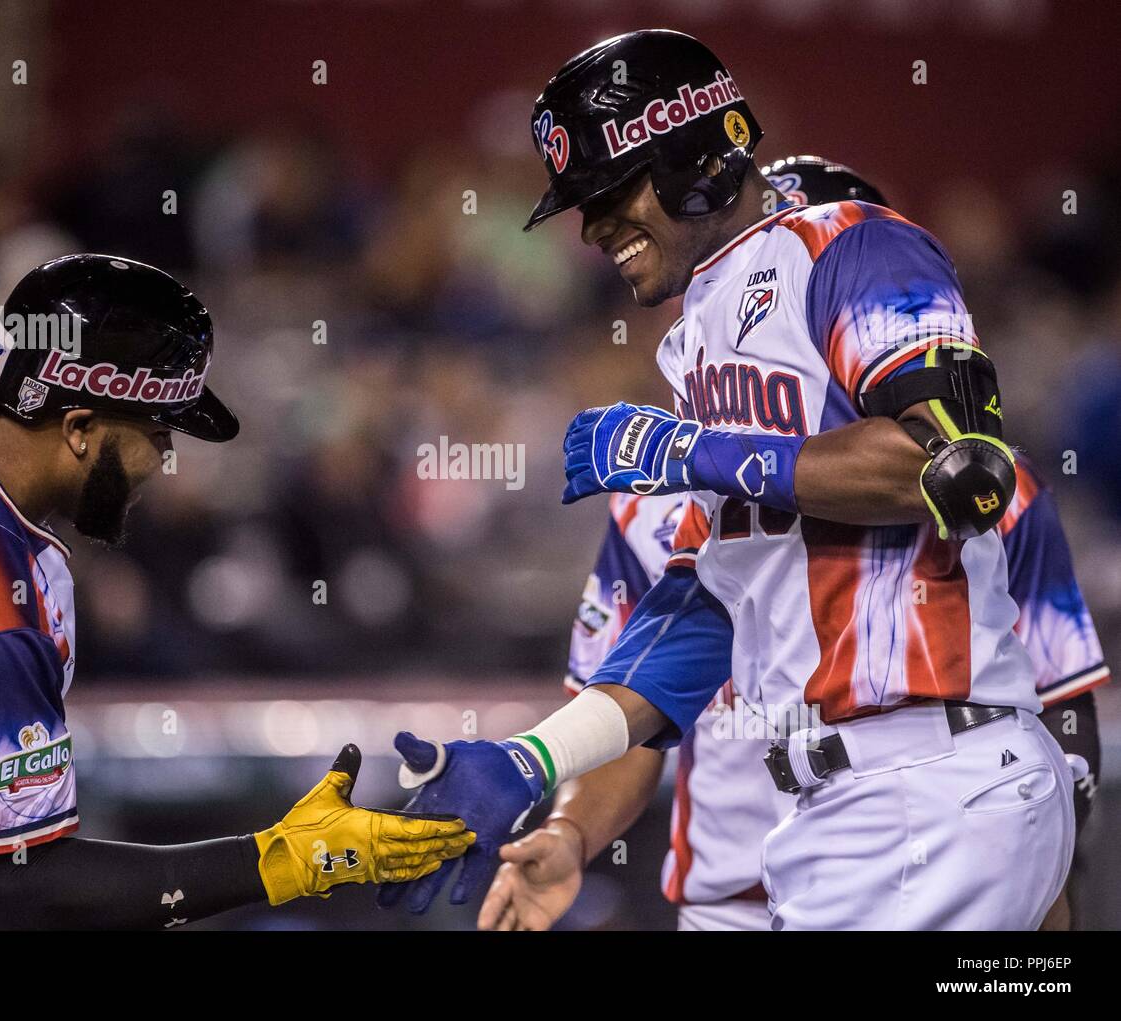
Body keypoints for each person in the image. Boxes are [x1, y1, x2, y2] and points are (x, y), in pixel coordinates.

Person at [380, 32, 1076, 930]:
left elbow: (960, 467)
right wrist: (534, 762)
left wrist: (687, 452)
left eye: (609, 193)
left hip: (922, 781)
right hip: (847, 805)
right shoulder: (700, 333)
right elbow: (706, 610)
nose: (592, 229)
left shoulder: (852, 242)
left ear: (691, 159)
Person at [0, 254, 472, 931]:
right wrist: (282, 860)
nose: (163, 462)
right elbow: (29, 891)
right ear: (78, 428)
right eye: (157, 434)